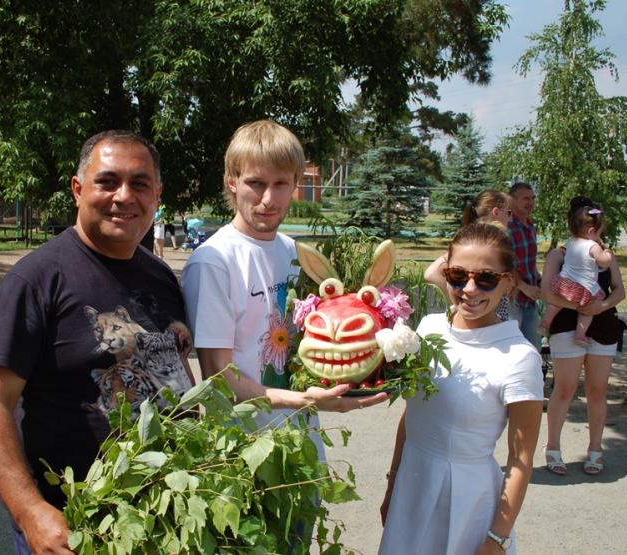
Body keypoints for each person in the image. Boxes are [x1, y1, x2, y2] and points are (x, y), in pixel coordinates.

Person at [0, 130, 195, 554]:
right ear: (77, 189)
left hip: (161, 519)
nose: (124, 196)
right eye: (107, 181)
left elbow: (178, 374)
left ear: (157, 195)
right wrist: (29, 511)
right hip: (75, 526)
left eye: (139, 183)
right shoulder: (36, 281)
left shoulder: (160, 276)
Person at [181, 120, 387, 436]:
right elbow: (218, 378)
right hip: (243, 445)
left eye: (280, 184)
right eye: (256, 183)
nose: (268, 199)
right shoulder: (214, 262)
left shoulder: (294, 253)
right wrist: (305, 399)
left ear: (295, 184)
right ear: (232, 182)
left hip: (302, 433)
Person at [379, 223, 543, 555]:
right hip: (412, 484)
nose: (469, 288)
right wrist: (392, 484)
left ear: (508, 282)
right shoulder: (428, 327)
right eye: (457, 275)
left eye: (485, 278)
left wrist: (497, 538)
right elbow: (412, 416)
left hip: (466, 499)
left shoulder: (519, 357)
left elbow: (520, 459)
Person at [541, 196, 625, 477]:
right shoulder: (559, 254)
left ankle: (595, 448)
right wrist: (578, 306)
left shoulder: (604, 253)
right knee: (564, 389)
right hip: (566, 325)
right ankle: (552, 446)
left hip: (602, 327)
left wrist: (599, 306)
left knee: (597, 390)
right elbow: (547, 292)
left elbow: (619, 291)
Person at [540, 203, 614, 344]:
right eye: (599, 233)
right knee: (590, 308)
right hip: (584, 288)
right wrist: (607, 253)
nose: (600, 237)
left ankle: (546, 322)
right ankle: (580, 334)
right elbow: (604, 262)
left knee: (556, 304)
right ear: (592, 231)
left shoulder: (571, 242)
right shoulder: (593, 246)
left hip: (563, 283)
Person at [424, 189, 512, 293]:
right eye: (509, 212)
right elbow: (431, 274)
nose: (511, 218)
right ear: (496, 212)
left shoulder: (481, 239)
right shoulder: (481, 241)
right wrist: (458, 302)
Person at [508, 181, 542, 350]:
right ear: (512, 200)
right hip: (512, 300)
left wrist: (539, 279)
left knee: (533, 351)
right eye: (525, 199)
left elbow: (528, 262)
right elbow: (505, 263)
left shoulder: (529, 226)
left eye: (533, 198)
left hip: (530, 301)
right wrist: (523, 286)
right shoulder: (507, 226)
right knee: (511, 349)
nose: (531, 202)